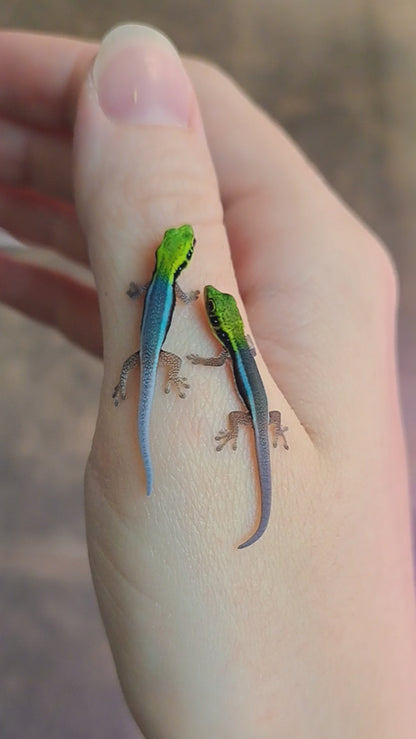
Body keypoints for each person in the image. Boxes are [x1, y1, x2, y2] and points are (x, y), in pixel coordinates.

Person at [0, 23, 415, 738]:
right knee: (153, 370)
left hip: (152, 353)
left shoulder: (161, 281)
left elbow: (141, 303)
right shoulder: (183, 290)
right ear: (182, 260)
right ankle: (182, 417)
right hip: (161, 355)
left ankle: (179, 412)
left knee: (145, 365)